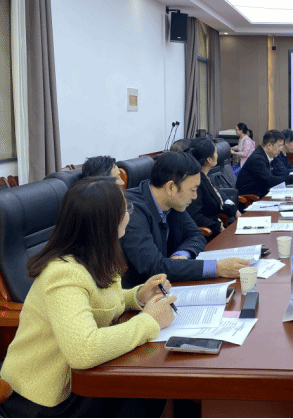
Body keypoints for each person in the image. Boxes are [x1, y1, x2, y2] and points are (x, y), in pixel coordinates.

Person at [0, 178, 176, 418]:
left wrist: (137, 296)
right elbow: (83, 350)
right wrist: (149, 321)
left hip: (80, 379)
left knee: (150, 385)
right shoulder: (63, 273)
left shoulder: (97, 256)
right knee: (147, 387)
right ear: (107, 223)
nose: (128, 214)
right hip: (46, 398)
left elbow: (101, 303)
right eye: (125, 209)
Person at [120, 151, 249, 288]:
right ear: (171, 187)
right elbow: (154, 267)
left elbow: (196, 235)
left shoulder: (172, 201)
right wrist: (216, 268)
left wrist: (182, 255)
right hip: (140, 294)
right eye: (192, 190)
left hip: (169, 285)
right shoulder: (131, 211)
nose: (195, 196)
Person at [186, 138, 238, 239]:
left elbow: (217, 200)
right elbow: (195, 215)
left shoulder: (205, 177)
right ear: (209, 159)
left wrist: (234, 210)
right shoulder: (197, 182)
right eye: (215, 152)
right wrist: (218, 226)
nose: (218, 155)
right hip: (208, 235)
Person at [236, 130, 293, 199]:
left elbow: (276, 176)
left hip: (261, 194)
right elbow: (270, 180)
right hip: (250, 200)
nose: (281, 149)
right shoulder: (257, 159)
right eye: (279, 146)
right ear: (269, 145)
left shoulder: (265, 155)